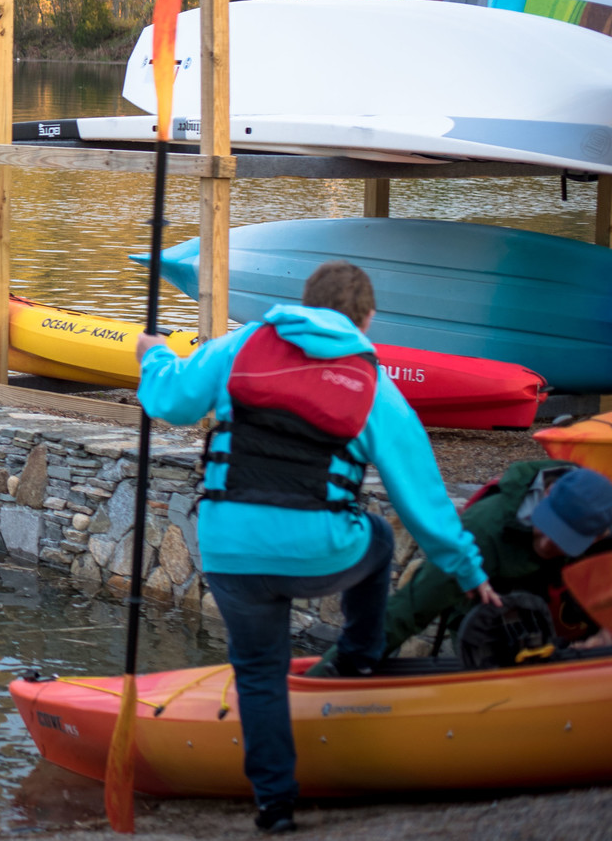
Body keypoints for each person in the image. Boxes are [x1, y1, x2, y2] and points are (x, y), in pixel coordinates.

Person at [135, 260, 498, 835]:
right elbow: (422, 502)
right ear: (368, 318)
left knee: (258, 672)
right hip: (321, 550)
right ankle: (358, 655)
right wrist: (469, 572)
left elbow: (171, 402)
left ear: (302, 301)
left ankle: (275, 808)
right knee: (377, 534)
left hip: (230, 550)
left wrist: (151, 356)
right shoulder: (373, 382)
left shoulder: (244, 343)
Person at [313, 461, 612, 671]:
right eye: (547, 527)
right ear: (547, 495)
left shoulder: (600, 517)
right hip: (488, 617)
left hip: (562, 614)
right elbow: (408, 609)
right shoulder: (481, 532)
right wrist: (333, 670)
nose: (547, 545)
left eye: (564, 539)